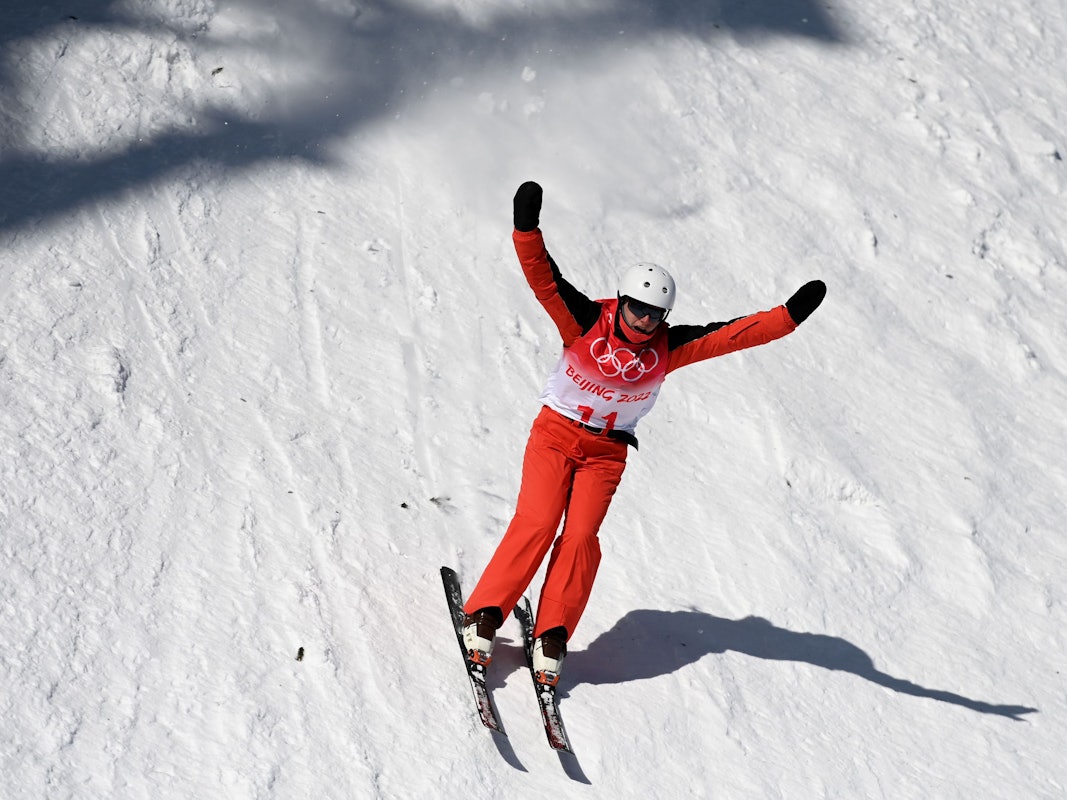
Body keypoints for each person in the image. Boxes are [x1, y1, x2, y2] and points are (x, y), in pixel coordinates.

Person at [462, 181, 826, 686]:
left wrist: (788, 317)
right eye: (638, 308)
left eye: (656, 314)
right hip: (556, 434)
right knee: (539, 520)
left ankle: (552, 634)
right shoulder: (585, 320)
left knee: (581, 536)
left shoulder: (668, 347)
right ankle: (484, 614)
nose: (645, 320)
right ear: (623, 300)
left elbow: (731, 335)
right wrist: (527, 228)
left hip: (606, 454)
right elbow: (544, 279)